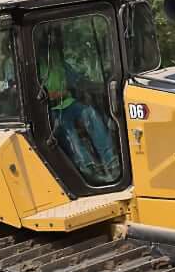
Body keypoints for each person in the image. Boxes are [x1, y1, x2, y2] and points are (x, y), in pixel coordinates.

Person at [37, 27, 119, 184]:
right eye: (52, 41)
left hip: (69, 104)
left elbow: (77, 80)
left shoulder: (59, 61)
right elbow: (41, 93)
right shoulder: (36, 66)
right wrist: (56, 94)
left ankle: (111, 162)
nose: (56, 44)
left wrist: (101, 86)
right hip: (51, 110)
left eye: (57, 40)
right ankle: (88, 168)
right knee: (67, 129)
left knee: (91, 114)